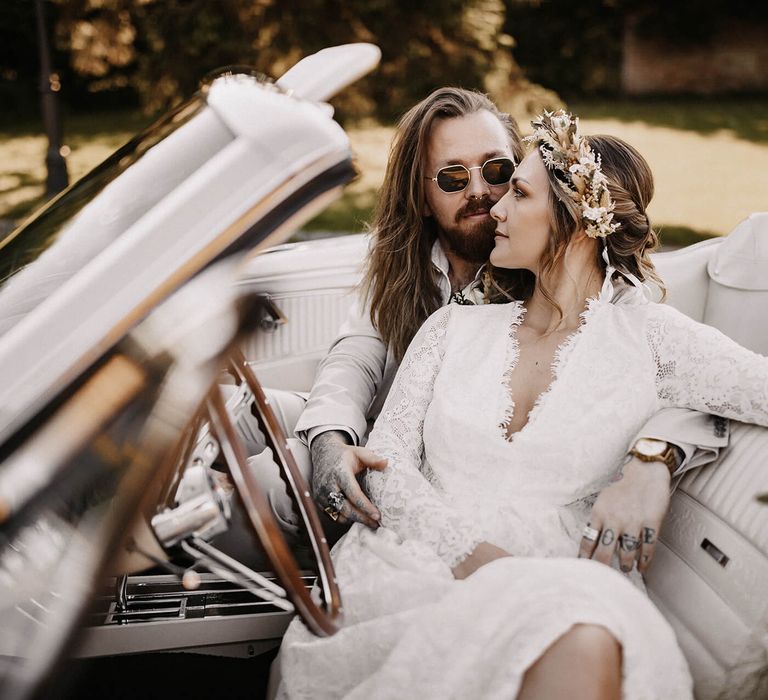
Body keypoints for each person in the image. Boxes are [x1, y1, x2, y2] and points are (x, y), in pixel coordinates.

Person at [274, 111, 768, 699]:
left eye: (518, 191)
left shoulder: (655, 339)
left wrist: (654, 458)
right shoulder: (451, 327)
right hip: (411, 564)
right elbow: (388, 460)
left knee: (576, 632)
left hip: (563, 574)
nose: (497, 210)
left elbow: (748, 389)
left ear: (579, 220)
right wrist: (473, 557)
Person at [287, 87, 727, 572]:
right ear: (423, 199)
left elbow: (681, 372)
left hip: (461, 506)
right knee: (250, 417)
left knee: (269, 483)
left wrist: (654, 458)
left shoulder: (609, 303)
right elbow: (353, 359)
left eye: (499, 173)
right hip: (381, 450)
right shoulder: (403, 267)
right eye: (453, 177)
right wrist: (329, 438)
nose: (483, 194)